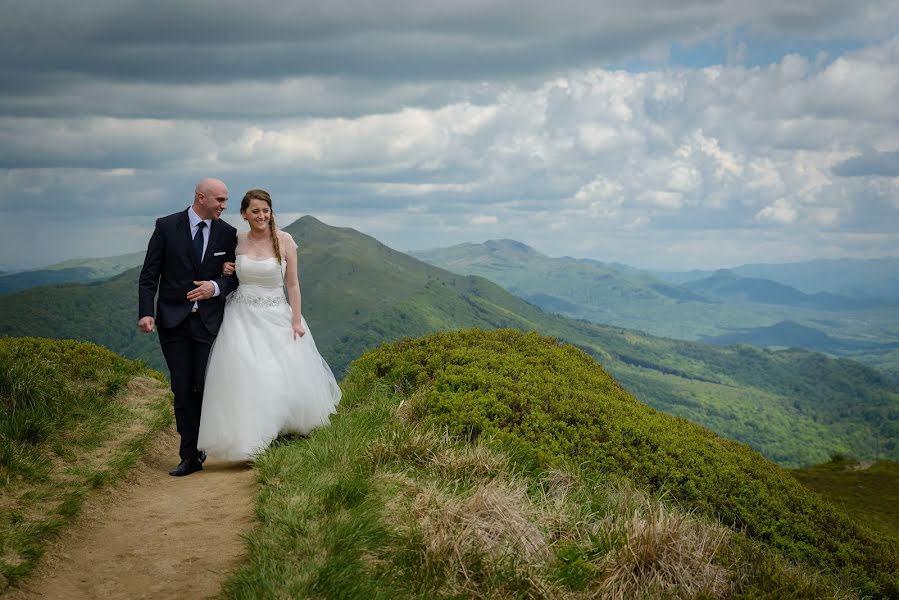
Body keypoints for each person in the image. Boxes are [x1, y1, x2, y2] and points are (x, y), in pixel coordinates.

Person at [196, 189, 341, 460]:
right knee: (247, 374)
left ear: (271, 211)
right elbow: (224, 272)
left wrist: (296, 320)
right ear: (244, 214)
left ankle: (278, 429)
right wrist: (226, 268)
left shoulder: (285, 241)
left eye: (265, 210)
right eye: (255, 211)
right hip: (241, 316)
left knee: (276, 373)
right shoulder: (236, 240)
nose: (261, 216)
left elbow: (293, 284)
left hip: (276, 314)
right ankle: (250, 439)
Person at [138, 178, 239, 477]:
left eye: (225, 200)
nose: (224, 205)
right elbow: (149, 275)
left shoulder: (227, 233)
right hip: (172, 322)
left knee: (204, 385)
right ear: (200, 197)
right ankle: (190, 454)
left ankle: (204, 440)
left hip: (209, 323)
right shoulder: (166, 226)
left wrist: (216, 286)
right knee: (181, 388)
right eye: (220, 200)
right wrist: (146, 313)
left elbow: (234, 277)